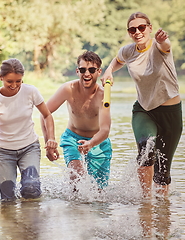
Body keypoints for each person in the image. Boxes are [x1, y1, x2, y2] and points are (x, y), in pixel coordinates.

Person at [101, 12, 182, 198]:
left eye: (141, 27)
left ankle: (163, 213)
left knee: (163, 172)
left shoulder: (160, 46)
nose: (137, 32)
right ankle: (146, 203)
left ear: (150, 28)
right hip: (144, 110)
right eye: (132, 29)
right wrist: (108, 71)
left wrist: (162, 40)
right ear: (129, 32)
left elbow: (165, 45)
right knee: (146, 151)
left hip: (170, 112)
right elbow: (117, 60)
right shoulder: (128, 51)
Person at [0, 58, 58, 201]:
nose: (14, 85)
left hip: (29, 147)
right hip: (3, 152)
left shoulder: (30, 91)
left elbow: (47, 115)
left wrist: (50, 139)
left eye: (18, 81)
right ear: (1, 78)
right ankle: (12, 223)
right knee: (8, 199)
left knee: (31, 189)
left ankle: (30, 221)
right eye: (9, 81)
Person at [41, 51, 112, 190]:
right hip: (72, 138)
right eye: (82, 69)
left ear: (99, 72)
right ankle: (74, 210)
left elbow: (105, 130)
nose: (87, 74)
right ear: (77, 71)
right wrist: (49, 141)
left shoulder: (103, 95)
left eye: (91, 70)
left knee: (99, 193)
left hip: (98, 142)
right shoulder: (68, 89)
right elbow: (45, 113)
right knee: (76, 178)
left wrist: (91, 143)